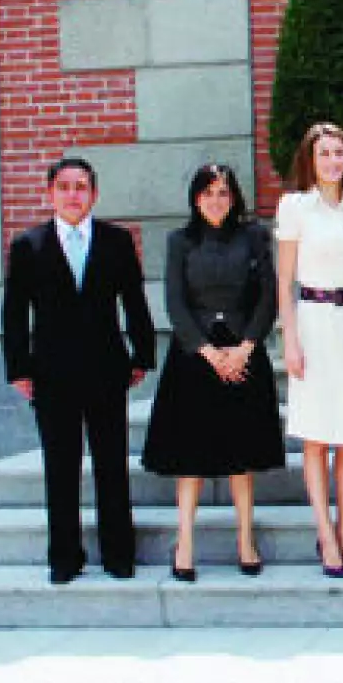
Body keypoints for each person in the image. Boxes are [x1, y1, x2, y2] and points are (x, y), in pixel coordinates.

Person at [2, 157, 156, 585]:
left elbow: (135, 303)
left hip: (107, 368)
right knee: (61, 466)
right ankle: (65, 558)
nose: (73, 194)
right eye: (65, 187)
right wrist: (18, 368)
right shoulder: (28, 246)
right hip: (50, 374)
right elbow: (14, 313)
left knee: (112, 465)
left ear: (94, 194)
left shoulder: (116, 241)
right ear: (50, 194)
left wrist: (142, 355)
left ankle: (118, 554)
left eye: (81, 187)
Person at [140, 164, 283, 581]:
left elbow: (267, 296)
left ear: (234, 197)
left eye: (223, 192)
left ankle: (245, 540)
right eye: (207, 194)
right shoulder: (179, 241)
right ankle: (184, 543)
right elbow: (175, 302)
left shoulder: (254, 237)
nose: (215, 201)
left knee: (241, 456)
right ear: (195, 199)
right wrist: (207, 352)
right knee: (191, 457)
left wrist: (245, 348)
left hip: (243, 351)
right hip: (193, 356)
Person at [276, 123, 343, 578]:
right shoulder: (295, 206)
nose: (333, 162)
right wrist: (291, 340)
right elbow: (284, 282)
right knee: (317, 437)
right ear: (310, 158)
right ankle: (324, 532)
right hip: (315, 323)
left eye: (339, 153)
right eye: (324, 153)